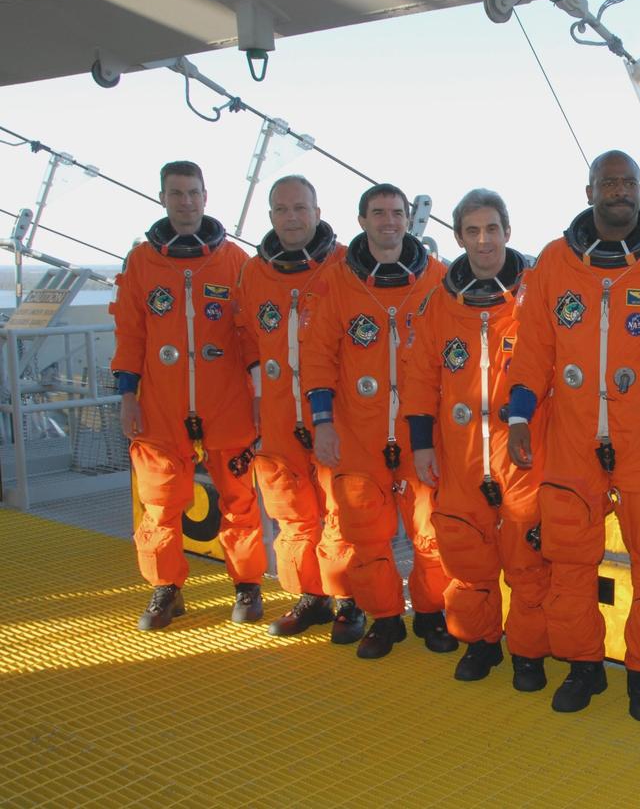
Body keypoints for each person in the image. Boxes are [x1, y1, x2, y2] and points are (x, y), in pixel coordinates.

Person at [506, 150, 640, 720]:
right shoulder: (553, 262)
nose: (618, 191)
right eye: (608, 182)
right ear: (590, 190)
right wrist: (519, 417)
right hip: (572, 441)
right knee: (569, 560)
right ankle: (583, 666)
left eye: (627, 183)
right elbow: (532, 350)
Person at [299, 182, 456, 660]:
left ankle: (430, 612)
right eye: (379, 213)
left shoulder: (438, 279)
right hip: (358, 432)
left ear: (407, 219)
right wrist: (323, 423)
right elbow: (318, 358)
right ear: (362, 220)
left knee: (431, 530)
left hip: (420, 433)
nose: (389, 221)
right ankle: (385, 617)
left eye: (396, 213)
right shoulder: (338, 283)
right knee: (365, 534)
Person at [405, 189, 551, 690]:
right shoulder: (438, 304)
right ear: (459, 237)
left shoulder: (536, 295)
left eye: (492, 229)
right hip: (462, 455)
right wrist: (421, 444)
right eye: (473, 231)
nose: (484, 240)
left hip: (523, 454)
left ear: (508, 231)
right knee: (467, 558)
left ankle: (528, 653)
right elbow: (420, 377)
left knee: (528, 564)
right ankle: (480, 642)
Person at [112, 160, 266, 630]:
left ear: (205, 197)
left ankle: (247, 583)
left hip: (227, 400)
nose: (185, 201)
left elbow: (250, 335)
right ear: (163, 198)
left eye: (193, 192)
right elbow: (131, 335)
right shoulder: (141, 262)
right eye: (176, 193)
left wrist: (259, 395)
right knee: (160, 501)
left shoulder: (234, 260)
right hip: (161, 404)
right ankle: (166, 587)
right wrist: (127, 396)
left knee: (239, 498)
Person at [233, 175, 364, 643]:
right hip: (278, 412)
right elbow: (247, 333)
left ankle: (348, 597)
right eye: (282, 209)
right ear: (271, 216)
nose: (292, 218)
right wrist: (257, 387)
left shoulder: (346, 264)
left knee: (341, 506)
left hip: (334, 412)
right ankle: (311, 595)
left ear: (317, 212)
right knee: (290, 507)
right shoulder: (253, 273)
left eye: (300, 208)